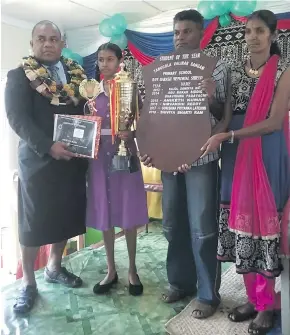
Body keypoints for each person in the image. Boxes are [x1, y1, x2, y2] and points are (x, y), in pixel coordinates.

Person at [201, 10, 290, 334]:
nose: (252, 36)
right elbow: (224, 118)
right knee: (240, 226)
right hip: (235, 154)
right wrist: (211, 99)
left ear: (272, 36)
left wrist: (231, 136)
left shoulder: (283, 70)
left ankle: (267, 305)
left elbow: (275, 122)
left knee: (263, 227)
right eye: (248, 31)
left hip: (267, 153)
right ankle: (253, 299)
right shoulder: (236, 72)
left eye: (259, 31)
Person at [141, 9, 232, 319]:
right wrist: (149, 148)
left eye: (187, 32)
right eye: (177, 32)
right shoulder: (161, 69)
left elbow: (224, 116)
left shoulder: (216, 68)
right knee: (172, 224)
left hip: (201, 158)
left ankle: (208, 294)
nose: (180, 37)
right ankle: (180, 282)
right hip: (168, 160)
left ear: (200, 33)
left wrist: (210, 98)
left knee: (202, 228)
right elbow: (153, 115)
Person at [5, 20, 88, 314]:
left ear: (62, 43)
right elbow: (17, 119)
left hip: (71, 160)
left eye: (54, 38)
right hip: (38, 161)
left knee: (65, 214)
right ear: (32, 44)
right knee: (34, 221)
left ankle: (54, 266)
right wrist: (48, 146)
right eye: (42, 38)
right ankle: (28, 282)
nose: (48, 43)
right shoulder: (18, 76)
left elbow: (84, 113)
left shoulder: (76, 78)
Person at [86, 43, 148, 296]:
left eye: (109, 59)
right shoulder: (90, 92)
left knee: (128, 213)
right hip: (99, 159)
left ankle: (132, 269)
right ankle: (111, 270)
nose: (104, 64)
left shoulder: (130, 89)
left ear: (120, 61)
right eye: (101, 60)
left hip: (125, 154)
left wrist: (132, 132)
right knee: (105, 214)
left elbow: (145, 124)